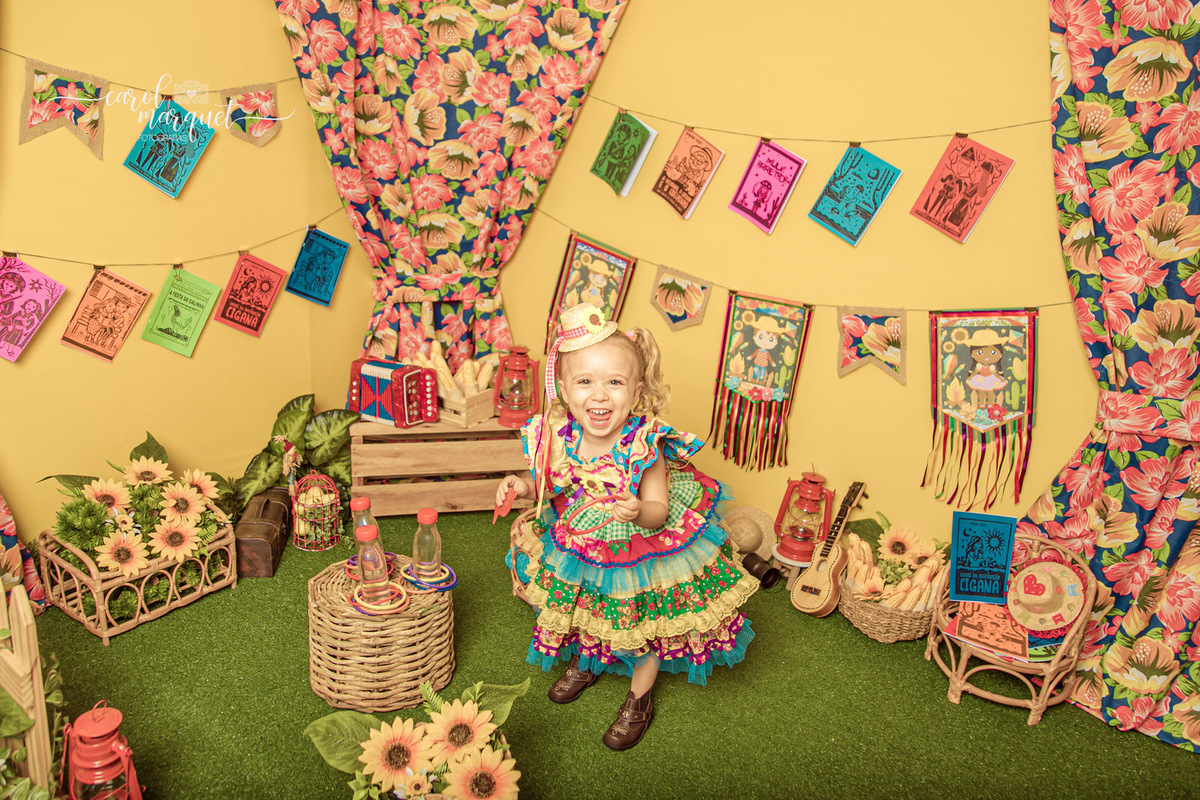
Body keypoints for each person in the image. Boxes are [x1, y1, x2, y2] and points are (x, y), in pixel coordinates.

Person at [497, 304, 757, 751]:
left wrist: (638, 512)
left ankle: (639, 698)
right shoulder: (562, 435)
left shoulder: (644, 445)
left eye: (614, 383)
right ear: (563, 389)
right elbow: (550, 481)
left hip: (640, 547)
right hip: (584, 540)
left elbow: (658, 511)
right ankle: (588, 661)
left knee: (642, 623)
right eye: (585, 382)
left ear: (635, 392)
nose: (599, 396)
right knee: (586, 605)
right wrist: (522, 485)